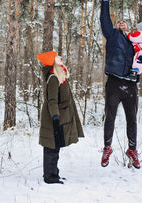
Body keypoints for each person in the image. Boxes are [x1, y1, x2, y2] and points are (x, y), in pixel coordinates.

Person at [99, 0, 142, 169]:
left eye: (124, 22)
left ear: (128, 27)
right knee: (110, 117)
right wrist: (105, 1)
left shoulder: (135, 42)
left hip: (131, 85)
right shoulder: (112, 35)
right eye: (119, 21)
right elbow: (104, 20)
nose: (121, 23)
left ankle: (132, 150)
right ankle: (107, 148)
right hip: (113, 82)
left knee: (132, 119)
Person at [37, 50, 84, 184]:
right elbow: (51, 100)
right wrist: (55, 117)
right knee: (51, 147)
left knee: (55, 146)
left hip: (60, 116)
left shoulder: (60, 76)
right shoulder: (53, 78)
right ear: (52, 61)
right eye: (57, 56)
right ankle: (50, 177)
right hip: (53, 117)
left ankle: (54, 174)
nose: (60, 57)